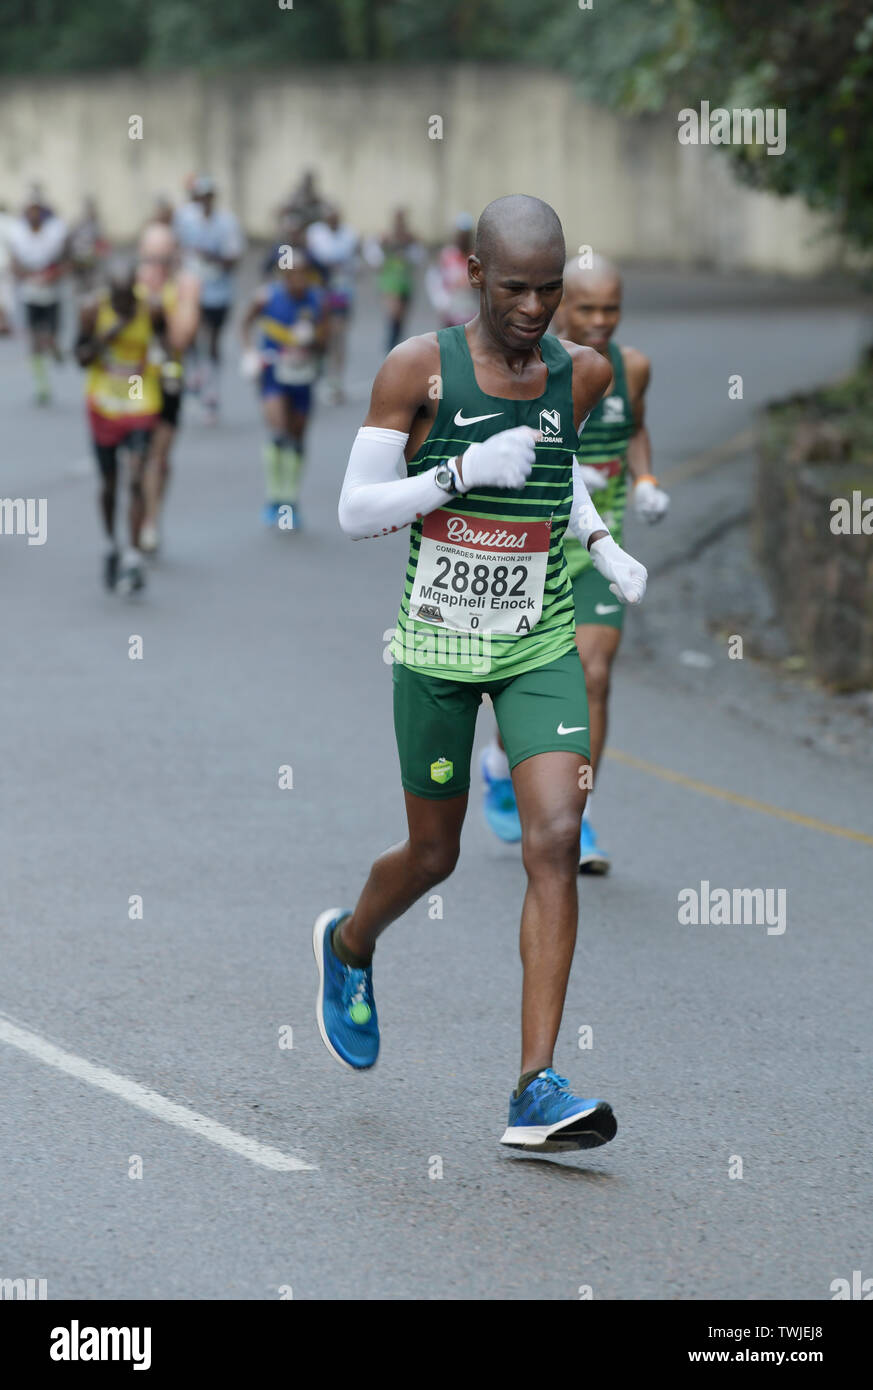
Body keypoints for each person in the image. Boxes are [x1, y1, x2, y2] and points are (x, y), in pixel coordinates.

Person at [316, 195, 648, 1153]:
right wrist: (460, 473)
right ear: (474, 275)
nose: (536, 308)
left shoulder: (577, 376)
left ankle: (534, 1088)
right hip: (435, 647)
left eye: (550, 289)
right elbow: (353, 510)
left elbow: (559, 470)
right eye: (516, 289)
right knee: (434, 856)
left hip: (537, 637)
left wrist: (599, 542)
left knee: (553, 837)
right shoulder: (419, 368)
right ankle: (349, 944)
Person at [480, 254, 670, 871]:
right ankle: (499, 765)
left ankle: (578, 818)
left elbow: (635, 425)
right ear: (560, 306)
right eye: (586, 307)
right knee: (522, 691)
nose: (600, 321)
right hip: (530, 556)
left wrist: (644, 479)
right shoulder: (530, 370)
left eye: (611, 308)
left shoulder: (631, 367)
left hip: (598, 554)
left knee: (594, 677)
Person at [75, 257, 168, 594]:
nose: (125, 305)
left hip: (141, 400)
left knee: (137, 473)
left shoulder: (152, 308)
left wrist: (167, 371)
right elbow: (80, 358)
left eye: (129, 298)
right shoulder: (92, 311)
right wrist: (109, 335)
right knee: (110, 483)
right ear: (109, 295)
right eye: (118, 300)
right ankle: (110, 543)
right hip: (104, 405)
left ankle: (133, 555)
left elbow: (165, 346)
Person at [240, 246, 326, 528]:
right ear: (283, 276)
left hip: (303, 376)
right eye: (293, 275)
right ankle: (274, 498)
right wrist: (250, 352)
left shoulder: (317, 300)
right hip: (274, 374)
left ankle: (292, 499)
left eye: (303, 274)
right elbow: (244, 323)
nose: (299, 280)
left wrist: (312, 340)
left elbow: (325, 340)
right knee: (279, 434)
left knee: (297, 437)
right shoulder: (267, 297)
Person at [136, 220, 201, 554]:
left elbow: (182, 337)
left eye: (162, 260)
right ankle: (138, 516)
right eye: (149, 259)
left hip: (168, 378)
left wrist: (159, 307)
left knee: (158, 457)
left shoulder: (186, 285)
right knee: (136, 456)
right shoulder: (131, 284)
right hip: (134, 381)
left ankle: (150, 518)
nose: (155, 268)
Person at [174, 176, 244, 422]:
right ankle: (196, 374)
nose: (202, 201)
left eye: (206, 197)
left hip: (218, 292)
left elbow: (234, 259)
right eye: (198, 196)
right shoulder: (185, 219)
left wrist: (211, 257)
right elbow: (176, 247)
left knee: (213, 339)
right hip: (192, 288)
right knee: (190, 332)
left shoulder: (227, 223)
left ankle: (211, 390)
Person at [7, 196, 68, 404]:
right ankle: (41, 384)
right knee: (34, 339)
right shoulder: (19, 236)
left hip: (51, 294)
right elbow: (15, 264)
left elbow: (64, 262)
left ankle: (54, 348)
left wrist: (51, 276)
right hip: (30, 294)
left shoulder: (53, 235)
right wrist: (28, 276)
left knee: (50, 337)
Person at [306, 205, 359, 403]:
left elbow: (355, 262)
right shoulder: (315, 233)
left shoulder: (349, 235)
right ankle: (318, 366)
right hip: (320, 292)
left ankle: (336, 380)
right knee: (320, 334)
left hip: (341, 292)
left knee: (338, 334)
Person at [374, 208, 421, 353]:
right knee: (394, 316)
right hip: (390, 283)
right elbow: (375, 259)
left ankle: (396, 347)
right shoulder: (386, 238)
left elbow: (418, 258)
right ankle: (391, 348)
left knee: (401, 320)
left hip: (405, 283)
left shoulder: (410, 238)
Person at [425, 213, 478, 328]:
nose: (463, 239)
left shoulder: (477, 257)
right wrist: (441, 302)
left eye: (466, 235)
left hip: (471, 314)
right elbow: (434, 280)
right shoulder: (447, 255)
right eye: (461, 235)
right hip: (450, 313)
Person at [68, 196, 110, 297]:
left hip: (94, 268)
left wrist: (99, 252)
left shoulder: (98, 226)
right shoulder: (78, 225)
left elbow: (103, 246)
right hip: (80, 267)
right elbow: (71, 245)